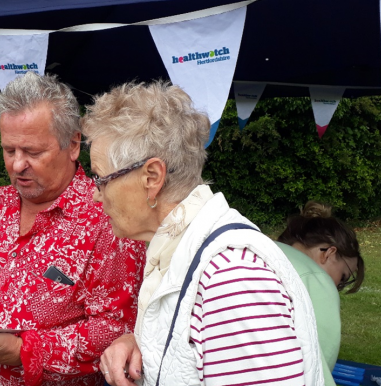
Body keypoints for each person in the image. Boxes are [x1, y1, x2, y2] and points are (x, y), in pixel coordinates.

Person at [82, 81, 325, 386]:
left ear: (152, 177)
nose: (95, 195)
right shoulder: (183, 250)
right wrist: (141, 344)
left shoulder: (231, 277)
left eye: (101, 179)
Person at [0, 72, 146, 386]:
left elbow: (118, 329)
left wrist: (23, 351)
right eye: (9, 150)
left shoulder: (108, 218)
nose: (17, 165)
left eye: (32, 152)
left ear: (72, 144)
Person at [276, 201, 365, 386]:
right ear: (329, 253)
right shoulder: (316, 280)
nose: (337, 287)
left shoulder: (257, 252)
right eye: (342, 277)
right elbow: (319, 369)